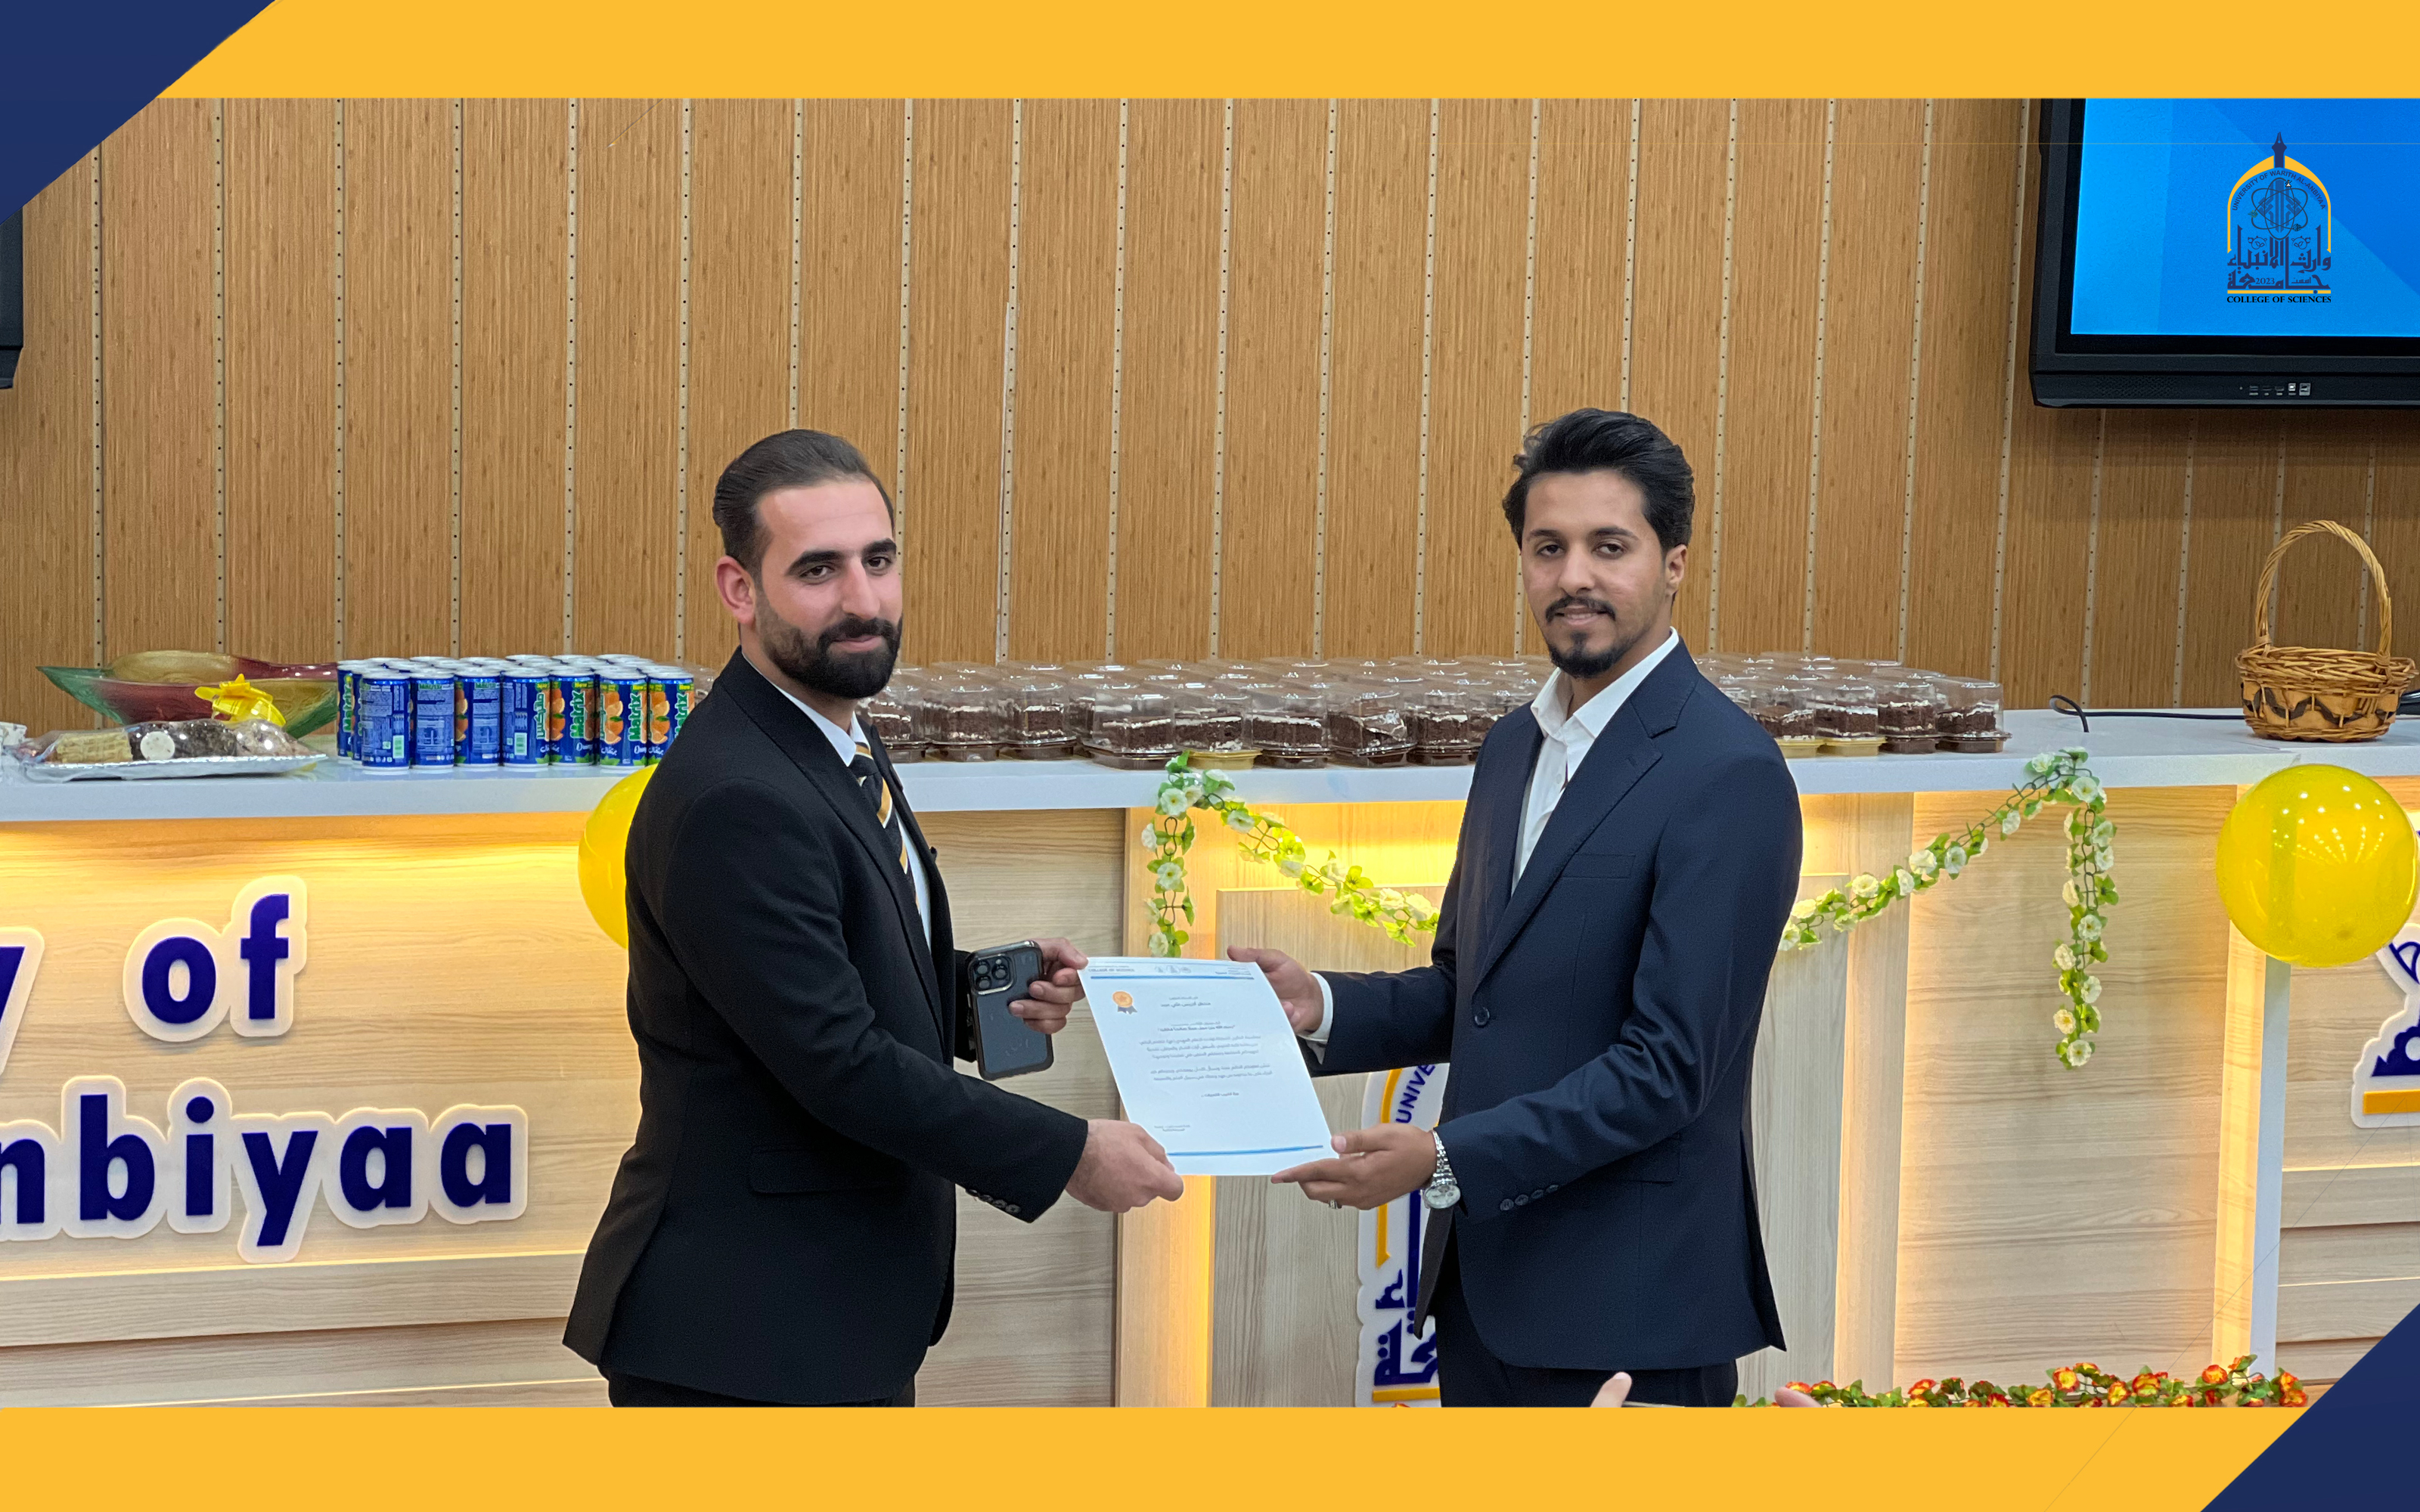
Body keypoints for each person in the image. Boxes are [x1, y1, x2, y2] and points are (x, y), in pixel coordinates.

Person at [565, 429, 1184, 1407]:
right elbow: (837, 1062)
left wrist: (977, 992)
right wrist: (1066, 1153)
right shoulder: (738, 795)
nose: (863, 600)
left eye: (879, 560)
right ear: (739, 590)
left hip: (825, 1317)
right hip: (746, 1335)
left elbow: (827, 966)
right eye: (818, 570)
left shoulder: (831, 733)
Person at [1232, 408, 1799, 1408]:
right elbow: (1476, 992)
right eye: (1548, 547)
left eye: (1609, 547)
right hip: (1484, 1290)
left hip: (1632, 1311)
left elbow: (1669, 1069)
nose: (1574, 576)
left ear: (1674, 563)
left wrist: (1443, 1156)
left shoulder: (1729, 772)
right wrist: (1322, 1004)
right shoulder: (1510, 747)